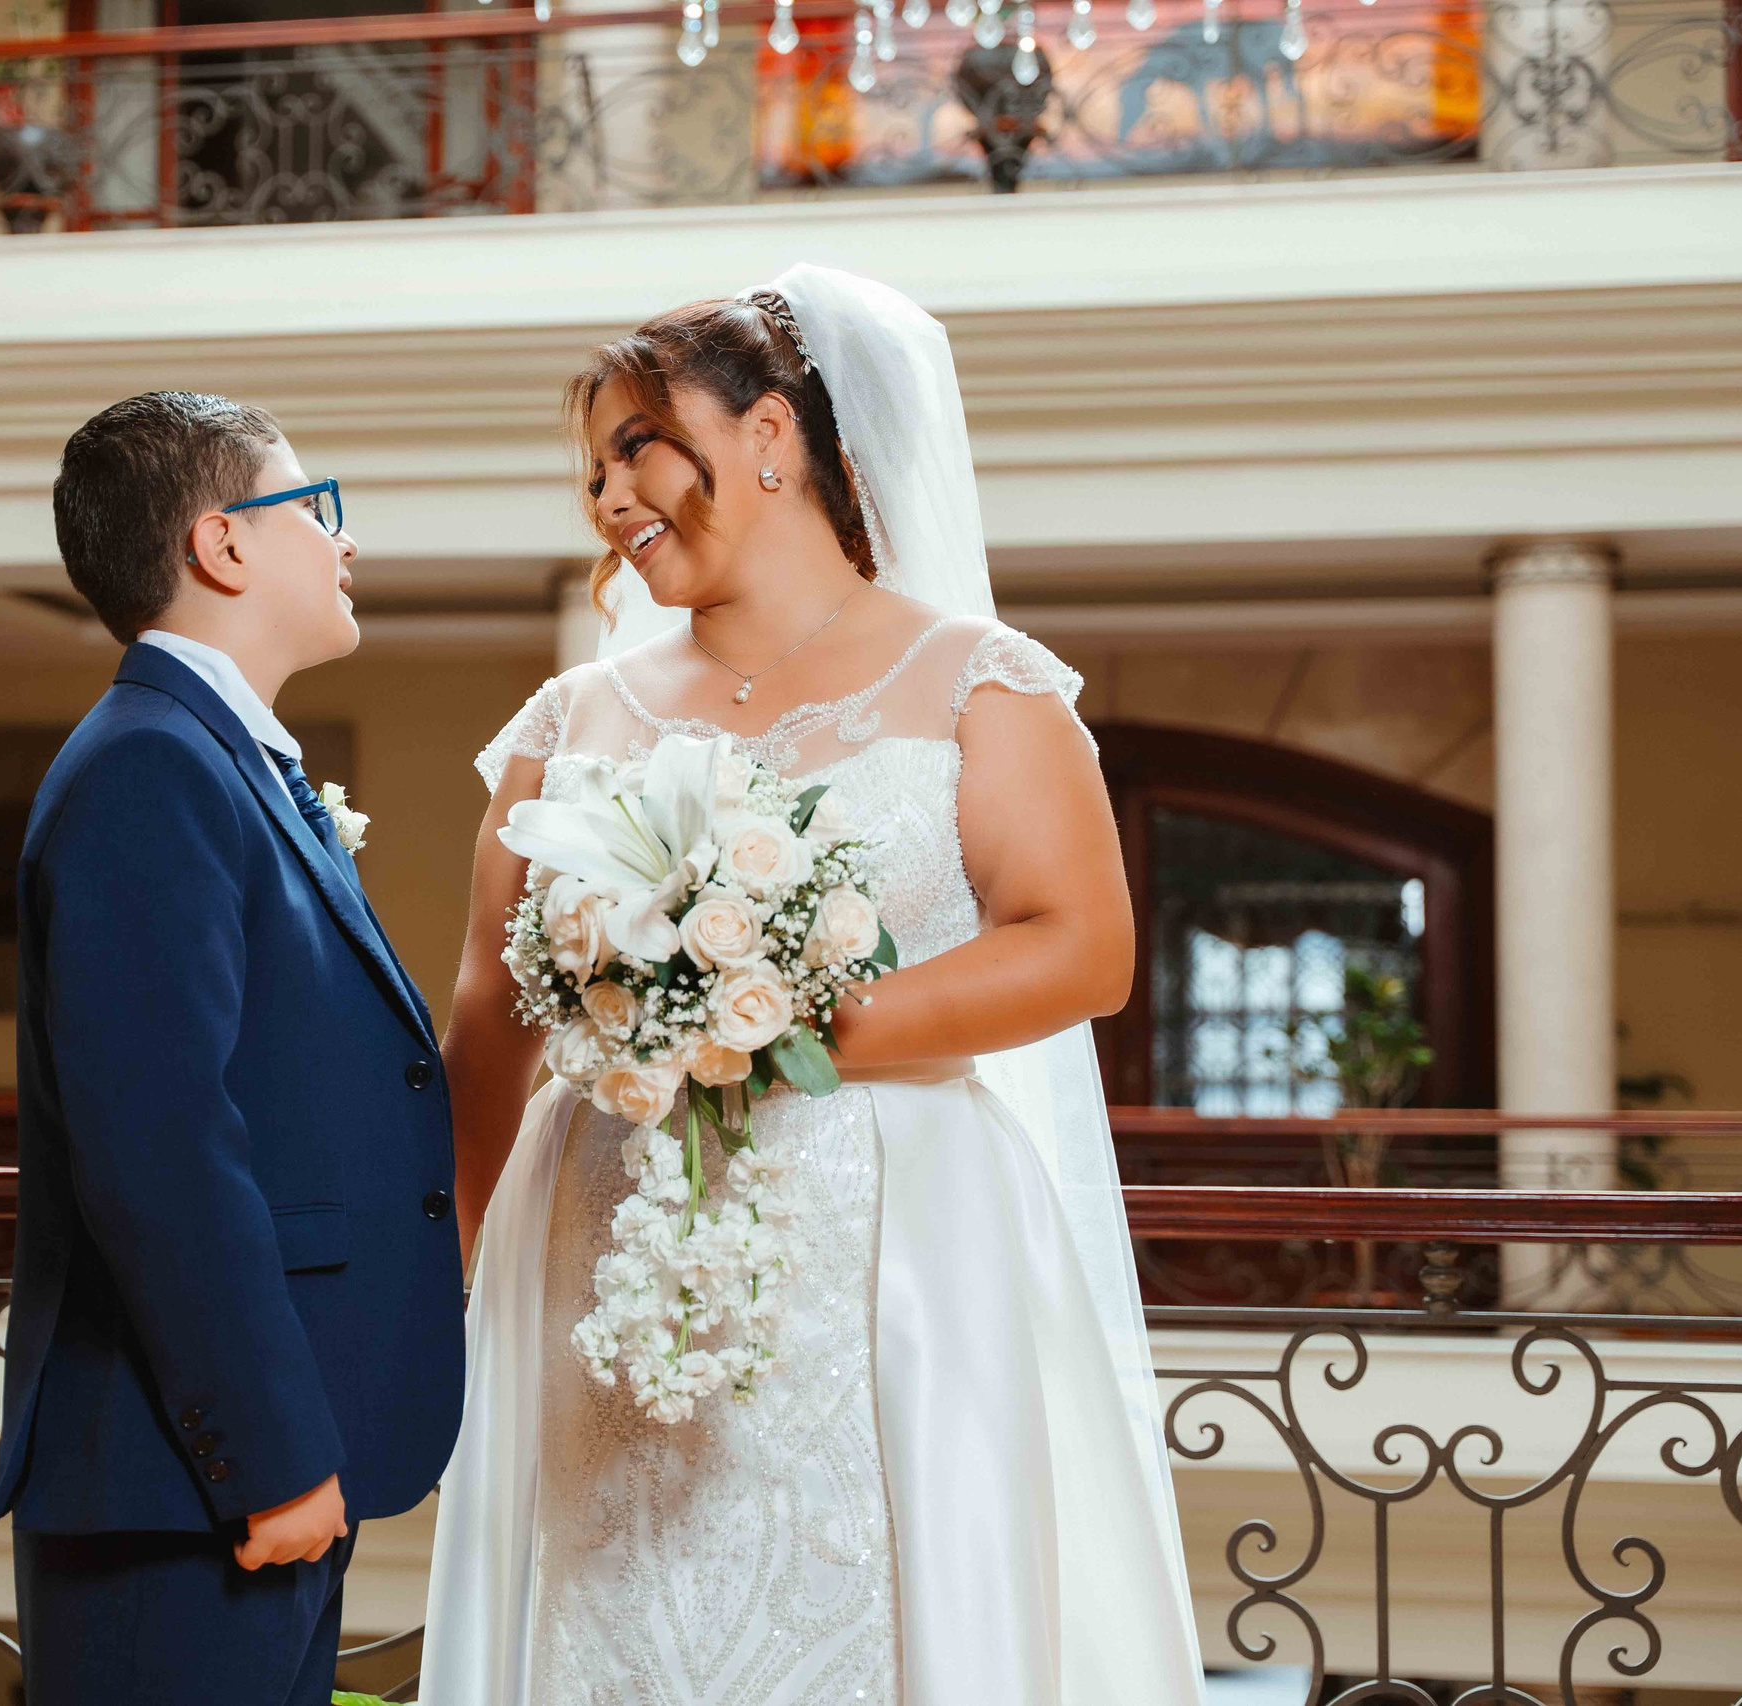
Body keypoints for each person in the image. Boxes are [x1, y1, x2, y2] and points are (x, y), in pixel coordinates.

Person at [420, 268, 1206, 1706]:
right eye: (591, 470)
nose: (607, 497)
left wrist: (787, 1014)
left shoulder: (980, 683)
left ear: (770, 434)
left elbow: (1082, 946)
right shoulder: (565, 721)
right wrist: (436, 1289)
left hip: (893, 1245)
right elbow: (489, 1017)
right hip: (596, 1242)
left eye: (638, 447)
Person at [0, 391, 464, 1705]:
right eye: (317, 508)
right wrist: (271, 1455)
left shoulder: (218, 758)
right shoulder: (152, 767)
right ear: (225, 546)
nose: (343, 541)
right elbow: (160, 1151)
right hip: (197, 1479)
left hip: (240, 1474)